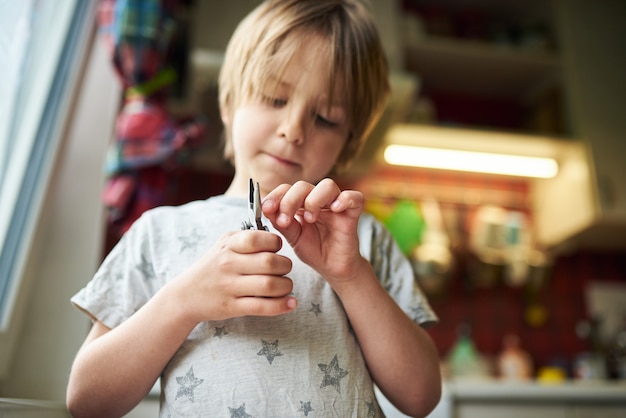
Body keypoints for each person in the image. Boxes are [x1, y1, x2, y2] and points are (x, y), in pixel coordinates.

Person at [66, 0, 442, 416]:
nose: (293, 130)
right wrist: (183, 302)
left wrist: (353, 276)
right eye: (275, 98)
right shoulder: (158, 232)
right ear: (228, 103)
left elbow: (421, 397)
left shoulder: (363, 241)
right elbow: (87, 400)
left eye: (325, 118)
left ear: (348, 142)